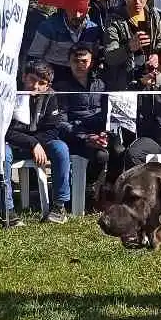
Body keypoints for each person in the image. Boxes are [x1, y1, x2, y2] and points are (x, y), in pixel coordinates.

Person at [2, 61, 74, 224]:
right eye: (32, 80)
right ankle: (7, 210)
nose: (35, 86)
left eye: (42, 83)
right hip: (12, 143)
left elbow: (53, 129)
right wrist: (32, 143)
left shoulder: (51, 97)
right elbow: (5, 130)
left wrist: (36, 143)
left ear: (48, 85)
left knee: (61, 148)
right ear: (23, 77)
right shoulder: (10, 95)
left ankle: (59, 206)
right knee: (2, 154)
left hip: (40, 144)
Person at [54, 43, 110, 206]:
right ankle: (85, 190)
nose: (80, 65)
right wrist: (85, 137)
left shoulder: (101, 84)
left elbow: (109, 112)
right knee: (101, 155)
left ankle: (109, 194)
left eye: (84, 61)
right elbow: (61, 123)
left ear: (91, 61)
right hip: (75, 138)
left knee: (120, 151)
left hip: (101, 133)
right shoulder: (61, 87)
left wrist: (104, 132)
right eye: (75, 61)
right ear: (68, 62)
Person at [103, 0, 161, 90]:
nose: (137, 1)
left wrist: (157, 55)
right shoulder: (114, 19)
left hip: (152, 80)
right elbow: (110, 57)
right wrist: (129, 48)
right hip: (125, 84)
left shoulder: (153, 15)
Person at [25, 7, 105, 74]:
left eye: (81, 10)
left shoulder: (93, 30)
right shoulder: (48, 27)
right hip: (52, 73)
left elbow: (95, 58)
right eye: (73, 9)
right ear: (65, 8)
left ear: (88, 9)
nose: (77, 15)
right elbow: (34, 58)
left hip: (81, 74)